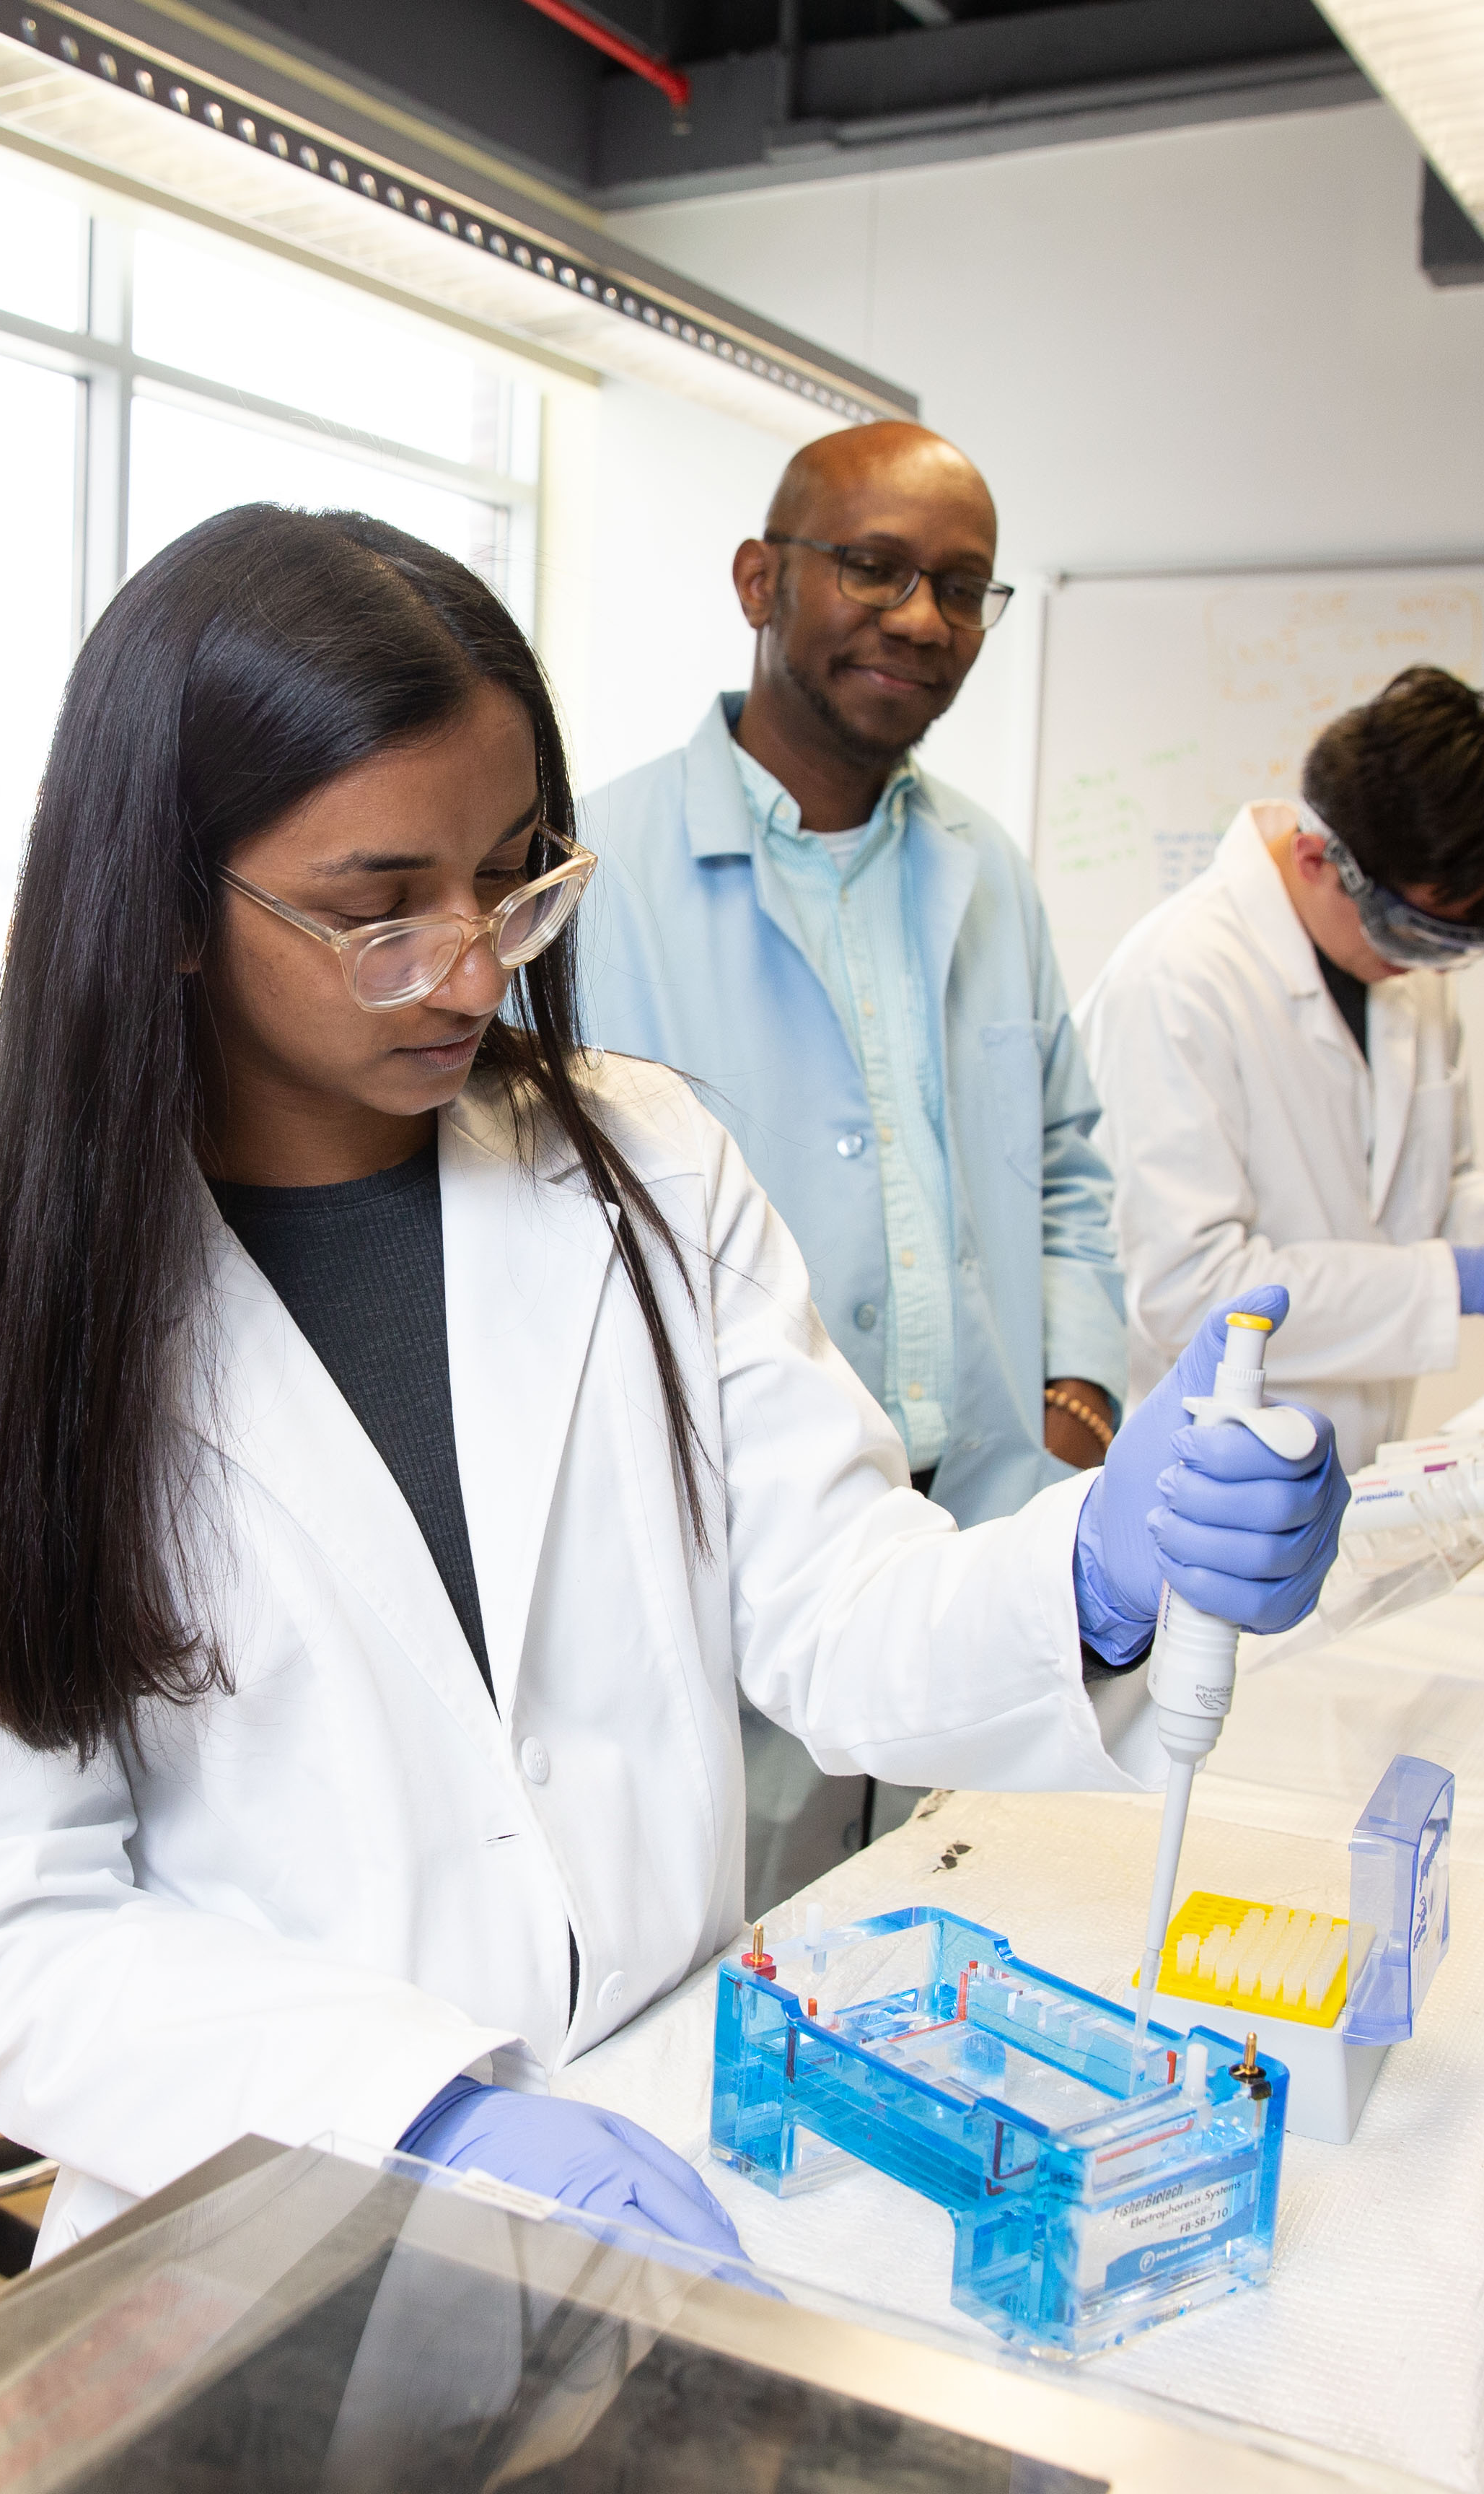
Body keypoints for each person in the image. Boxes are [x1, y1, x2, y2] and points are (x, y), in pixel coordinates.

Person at [0, 505, 1348, 2267]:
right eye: (375, 912)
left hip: (660, 2158)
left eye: (511, 875)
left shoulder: (642, 1162)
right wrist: (423, 2107)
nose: (476, 966)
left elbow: (831, 1611)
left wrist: (1095, 1567)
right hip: (253, 2222)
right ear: (166, 908)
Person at [571, 421, 1123, 1902]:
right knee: (731, 1969)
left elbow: (1068, 1150)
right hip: (736, 1557)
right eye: (876, 569)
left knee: (962, 1931)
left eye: (963, 588)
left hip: (985, 1517)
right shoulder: (593, 873)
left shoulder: (985, 871)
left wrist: (1080, 1379)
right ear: (761, 580)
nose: (926, 620)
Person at [1077, 664, 1484, 1460]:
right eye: (1416, 932)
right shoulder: (1176, 981)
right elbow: (1190, 1292)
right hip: (1198, 1478)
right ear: (1317, 858)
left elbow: (1422, 1196)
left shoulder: (1401, 979)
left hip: (1352, 1469)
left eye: (1454, 944)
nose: (1427, 965)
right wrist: (1473, 1280)